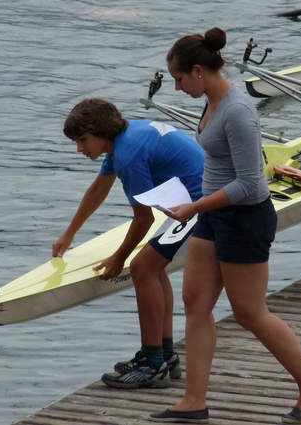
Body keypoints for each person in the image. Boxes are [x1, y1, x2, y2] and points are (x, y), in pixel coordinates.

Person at [148, 28, 301, 424]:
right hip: (215, 216)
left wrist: (193, 206)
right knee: (196, 304)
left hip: (245, 218)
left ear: (198, 71)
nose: (176, 88)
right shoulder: (211, 101)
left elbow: (250, 183)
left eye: (179, 80)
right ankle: (194, 401)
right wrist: (199, 207)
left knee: (250, 313)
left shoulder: (238, 111)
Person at [54, 98, 204, 388]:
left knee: (142, 268)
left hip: (204, 208)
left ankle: (152, 364)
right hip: (191, 203)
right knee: (153, 268)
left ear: (101, 131)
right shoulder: (125, 137)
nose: (79, 149)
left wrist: (118, 258)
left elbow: (144, 219)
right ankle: (164, 355)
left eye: (83, 140)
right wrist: (69, 233)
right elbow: (99, 188)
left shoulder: (129, 155)